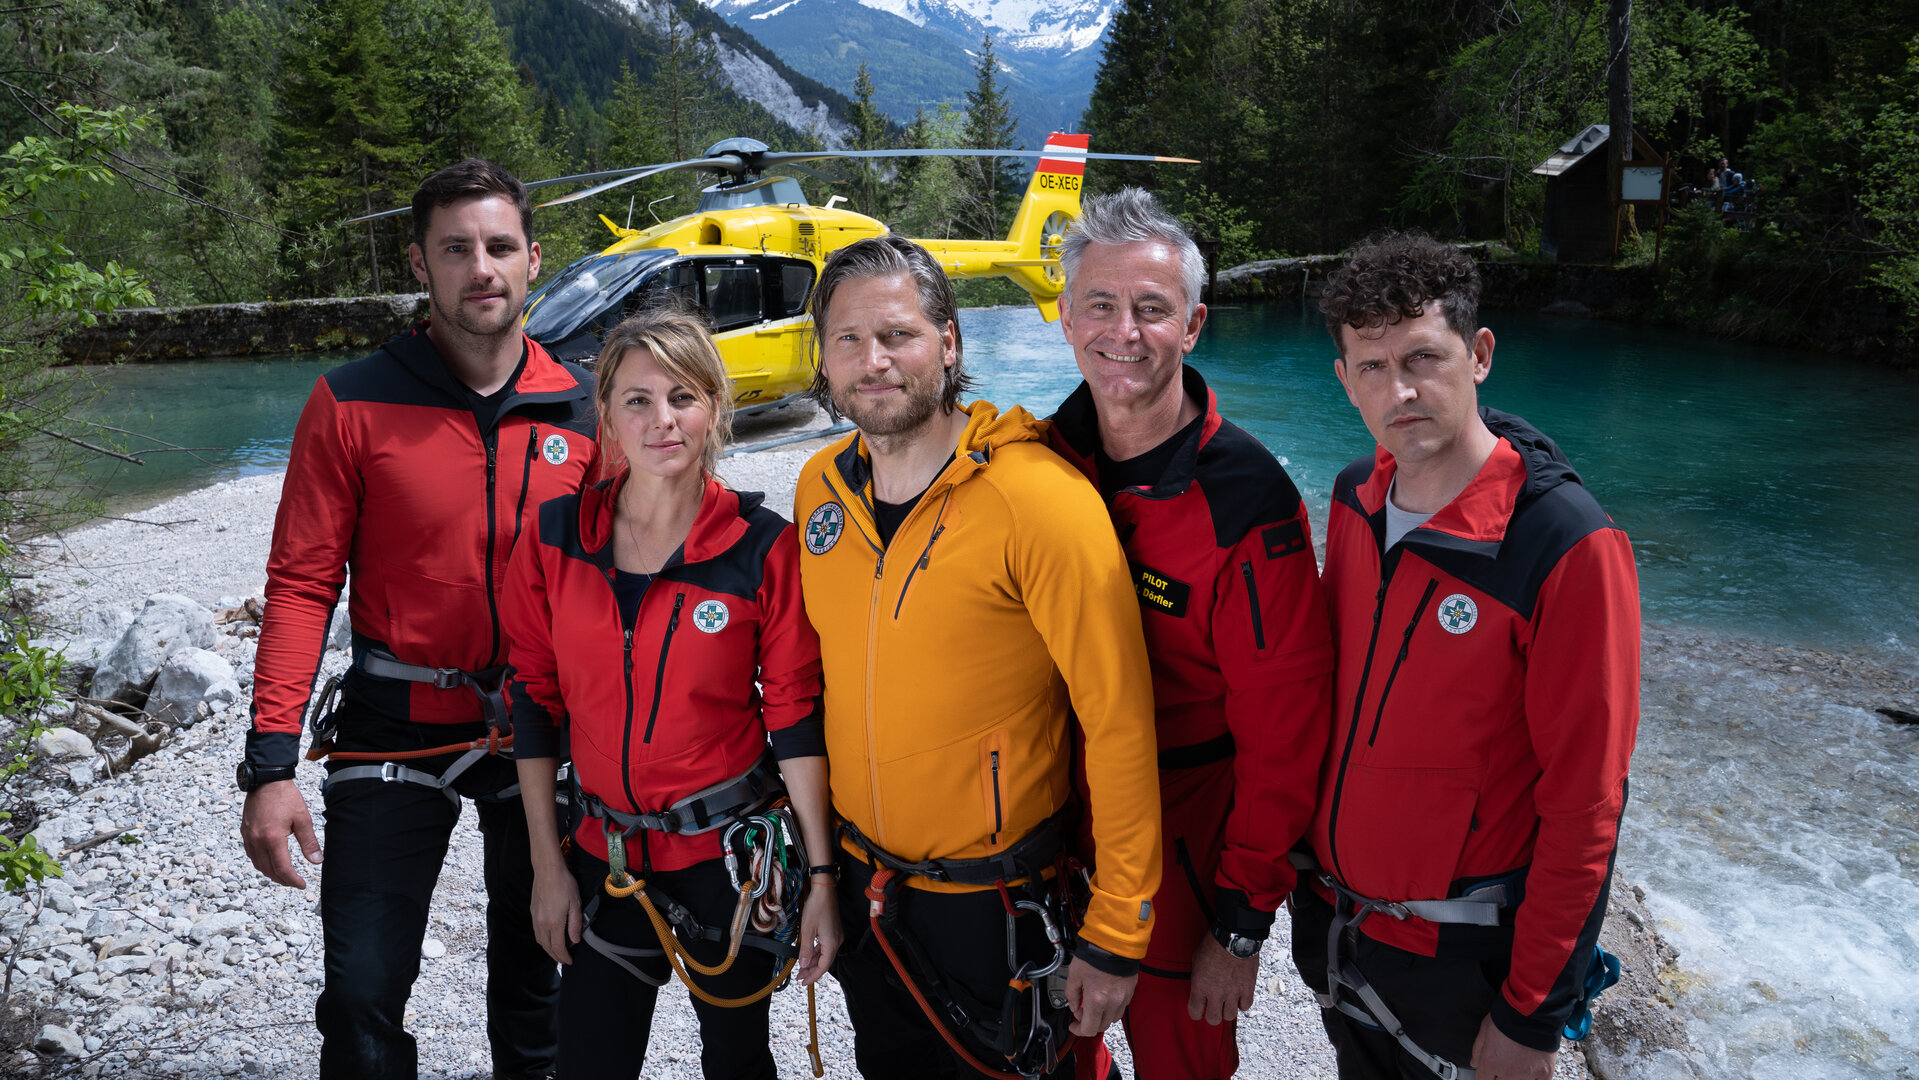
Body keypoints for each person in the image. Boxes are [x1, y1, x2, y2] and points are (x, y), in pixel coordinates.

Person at [238, 158, 595, 1080]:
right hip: (391, 725)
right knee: (359, 996)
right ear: (419, 265)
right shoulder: (352, 400)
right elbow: (302, 586)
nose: (482, 267)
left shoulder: (589, 408)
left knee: (541, 983)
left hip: (540, 730)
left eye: (500, 247)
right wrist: (270, 765)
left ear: (532, 260)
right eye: (456, 249)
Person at [792, 235, 1163, 1079]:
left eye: (897, 335)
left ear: (949, 343)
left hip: (997, 905)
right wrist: (820, 874)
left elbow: (1118, 719)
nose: (871, 360)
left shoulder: (1038, 500)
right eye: (847, 340)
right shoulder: (820, 487)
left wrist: (1118, 925)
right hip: (866, 889)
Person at [1298, 230, 1640, 1080]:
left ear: (1479, 353)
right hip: (1341, 933)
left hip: (1462, 963)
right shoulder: (1353, 499)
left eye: (1423, 356)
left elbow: (1585, 804)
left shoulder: (1563, 542)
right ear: (1342, 379)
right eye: (1370, 367)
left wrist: (1532, 1015)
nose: (1399, 389)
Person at [500, 302, 839, 1079]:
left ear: (716, 408)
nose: (663, 420)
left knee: (736, 1060)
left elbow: (793, 716)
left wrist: (820, 879)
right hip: (602, 852)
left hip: (726, 860)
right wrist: (547, 873)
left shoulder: (763, 549)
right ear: (608, 420)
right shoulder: (554, 537)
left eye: (683, 397)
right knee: (589, 1060)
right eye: (638, 400)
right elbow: (533, 696)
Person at [1044, 189, 1333, 1080]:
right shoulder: (1038, 464)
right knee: (1051, 1056)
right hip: (1053, 831)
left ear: (1194, 323)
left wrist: (1241, 923)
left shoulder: (1245, 501)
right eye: (1099, 304)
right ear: (1064, 318)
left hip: (1188, 847)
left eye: (1150, 308)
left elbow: (1285, 734)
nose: (1121, 331)